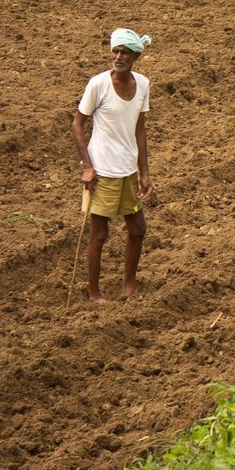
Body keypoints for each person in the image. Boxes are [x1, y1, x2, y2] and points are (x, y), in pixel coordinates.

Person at [72, 28, 153, 303]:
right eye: (115, 51)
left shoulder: (142, 84)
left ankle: (129, 286)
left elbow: (139, 128)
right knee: (100, 234)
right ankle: (94, 294)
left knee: (137, 229)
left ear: (136, 56)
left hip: (128, 170)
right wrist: (87, 165)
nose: (118, 57)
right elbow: (78, 123)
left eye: (125, 53)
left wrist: (144, 171)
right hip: (103, 171)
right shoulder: (98, 85)